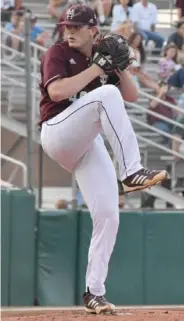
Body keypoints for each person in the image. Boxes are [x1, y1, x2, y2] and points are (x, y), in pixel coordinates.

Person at [39, 4, 168, 314]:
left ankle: (94, 292)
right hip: (56, 132)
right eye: (67, 25)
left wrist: (119, 66)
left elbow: (133, 95)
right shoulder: (57, 53)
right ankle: (131, 171)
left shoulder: (101, 54)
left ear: (92, 29)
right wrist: (98, 69)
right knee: (107, 95)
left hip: (85, 144)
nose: (69, 30)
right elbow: (57, 92)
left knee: (109, 214)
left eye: (77, 26)